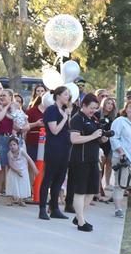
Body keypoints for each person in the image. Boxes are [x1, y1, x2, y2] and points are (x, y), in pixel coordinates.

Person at [68, 94, 105, 232]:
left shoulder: (93, 118)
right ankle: (81, 222)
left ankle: (79, 216)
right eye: (91, 108)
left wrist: (102, 138)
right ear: (83, 105)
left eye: (95, 108)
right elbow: (74, 139)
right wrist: (93, 136)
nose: (93, 111)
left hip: (92, 159)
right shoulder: (77, 119)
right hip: (80, 160)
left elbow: (96, 138)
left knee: (91, 191)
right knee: (80, 191)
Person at [39, 85, 73, 221]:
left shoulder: (64, 110)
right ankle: (42, 208)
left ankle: (54, 208)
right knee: (48, 178)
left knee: (59, 179)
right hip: (54, 149)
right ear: (58, 95)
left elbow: (68, 129)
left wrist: (68, 116)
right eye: (66, 94)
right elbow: (54, 131)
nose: (68, 97)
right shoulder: (52, 110)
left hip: (65, 148)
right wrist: (65, 118)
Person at [110, 99, 131, 217]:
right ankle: (118, 209)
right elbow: (113, 137)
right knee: (121, 183)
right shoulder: (120, 121)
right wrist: (121, 151)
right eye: (130, 107)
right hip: (122, 157)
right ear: (126, 109)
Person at [6, 136, 36, 205]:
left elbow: (29, 160)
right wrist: (17, 171)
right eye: (10, 145)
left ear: (17, 145)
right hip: (14, 171)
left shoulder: (22, 151)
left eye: (14, 144)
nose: (12, 146)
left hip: (23, 171)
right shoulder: (9, 153)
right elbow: (10, 164)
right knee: (12, 185)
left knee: (22, 185)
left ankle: (21, 200)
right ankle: (10, 199)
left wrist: (34, 168)